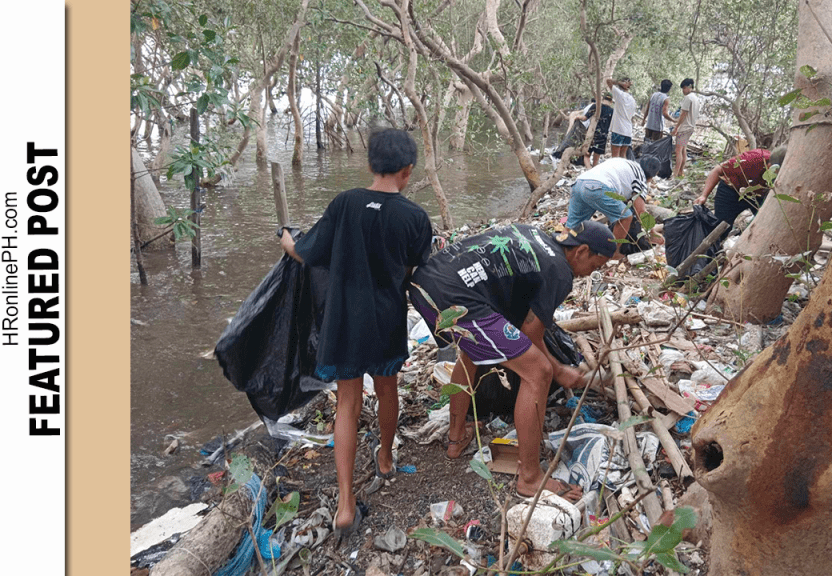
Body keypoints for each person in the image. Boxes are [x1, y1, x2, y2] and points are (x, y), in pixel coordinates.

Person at [279, 129, 433, 537]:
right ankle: (385, 458)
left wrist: (286, 239)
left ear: (369, 165)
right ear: (408, 171)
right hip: (386, 319)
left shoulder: (344, 203)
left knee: (347, 402)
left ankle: (345, 504)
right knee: (387, 389)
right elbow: (415, 269)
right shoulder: (415, 217)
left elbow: (306, 253)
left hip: (343, 320)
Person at [409, 221, 616, 502]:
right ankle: (530, 479)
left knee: (472, 353)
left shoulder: (534, 234)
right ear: (581, 251)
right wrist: (560, 370)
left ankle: (456, 439)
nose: (592, 273)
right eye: (595, 265)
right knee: (538, 372)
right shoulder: (559, 271)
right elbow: (531, 332)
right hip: (454, 297)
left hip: (426, 283)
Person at [567, 156, 665, 257]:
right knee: (626, 217)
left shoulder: (626, 164)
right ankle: (613, 253)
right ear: (652, 176)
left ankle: (564, 251)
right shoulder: (641, 178)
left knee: (573, 226)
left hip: (579, 183)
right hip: (597, 187)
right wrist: (652, 233)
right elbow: (641, 212)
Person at [693, 146, 787, 236]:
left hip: (758, 196)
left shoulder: (787, 175)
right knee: (722, 227)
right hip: (731, 190)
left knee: (763, 224)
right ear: (769, 166)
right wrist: (704, 195)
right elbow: (718, 170)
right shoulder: (751, 159)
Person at [670, 78, 700, 177]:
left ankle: (675, 174)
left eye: (684, 88)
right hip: (690, 127)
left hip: (684, 128)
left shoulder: (688, 98)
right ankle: (680, 172)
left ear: (689, 87)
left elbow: (683, 114)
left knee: (678, 151)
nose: (683, 90)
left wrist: (676, 127)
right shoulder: (696, 98)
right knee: (683, 150)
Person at [576, 94, 614, 166]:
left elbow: (584, 118)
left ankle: (588, 168)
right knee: (596, 158)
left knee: (587, 155)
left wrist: (577, 117)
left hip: (592, 134)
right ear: (611, 101)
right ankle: (593, 169)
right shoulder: (612, 111)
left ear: (603, 99)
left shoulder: (595, 106)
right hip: (603, 136)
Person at [606, 77, 637, 160]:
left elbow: (608, 81)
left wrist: (620, 83)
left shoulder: (619, 94)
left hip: (618, 129)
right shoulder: (633, 100)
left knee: (615, 158)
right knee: (623, 156)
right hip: (628, 131)